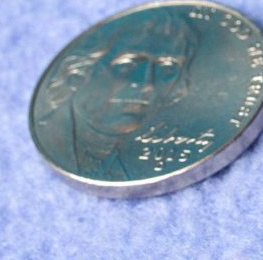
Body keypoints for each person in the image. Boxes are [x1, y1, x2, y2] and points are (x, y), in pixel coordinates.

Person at [34, 12, 198, 179]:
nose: (146, 83)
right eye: (128, 64)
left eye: (167, 68)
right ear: (77, 74)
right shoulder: (55, 138)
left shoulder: (139, 159)